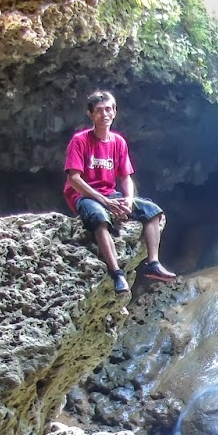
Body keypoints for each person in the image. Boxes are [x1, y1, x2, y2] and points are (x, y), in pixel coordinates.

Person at [63, 89, 179, 294]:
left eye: (108, 109)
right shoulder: (80, 141)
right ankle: (117, 274)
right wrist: (105, 202)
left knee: (152, 212)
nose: (104, 114)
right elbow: (74, 179)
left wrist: (128, 199)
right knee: (100, 219)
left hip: (110, 194)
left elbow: (125, 177)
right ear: (90, 114)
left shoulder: (118, 142)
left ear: (115, 112)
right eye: (99, 110)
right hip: (84, 195)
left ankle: (153, 262)